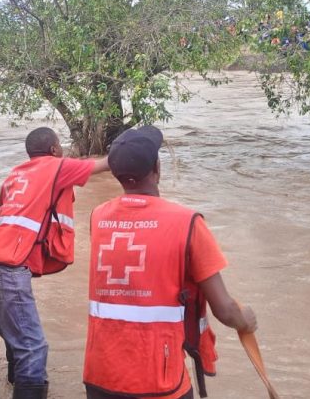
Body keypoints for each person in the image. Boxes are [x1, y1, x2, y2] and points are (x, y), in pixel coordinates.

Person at [83, 126, 257, 399]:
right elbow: (225, 310)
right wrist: (246, 321)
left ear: (115, 174)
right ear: (157, 167)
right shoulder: (187, 223)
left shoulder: (98, 217)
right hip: (157, 380)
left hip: (99, 371)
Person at [0, 127, 110, 399]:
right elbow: (107, 164)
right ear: (53, 150)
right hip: (9, 267)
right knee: (33, 347)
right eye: (60, 145)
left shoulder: (14, 175)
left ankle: (16, 386)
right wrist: (137, 143)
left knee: (17, 344)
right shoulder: (56, 167)